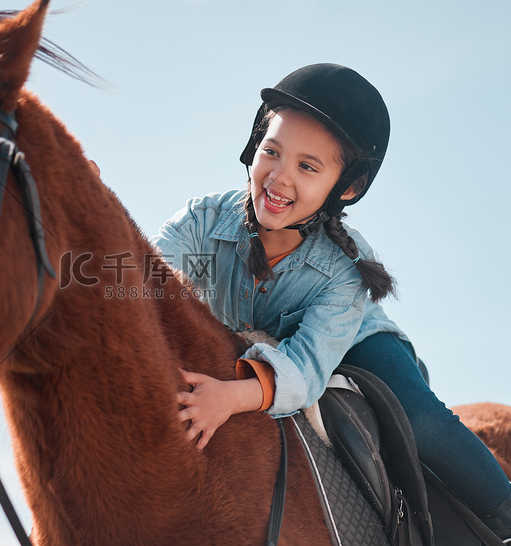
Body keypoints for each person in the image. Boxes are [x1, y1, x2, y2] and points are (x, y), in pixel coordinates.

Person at [150, 63, 511, 541]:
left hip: (348, 344)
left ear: (346, 188)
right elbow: (145, 283)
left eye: (307, 166)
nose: (278, 177)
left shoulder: (344, 272)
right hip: (250, 345)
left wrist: (232, 396)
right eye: (271, 151)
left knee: (421, 422)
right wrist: (92, 219)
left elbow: (306, 369)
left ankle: (504, 512)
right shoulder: (203, 221)